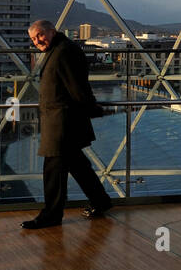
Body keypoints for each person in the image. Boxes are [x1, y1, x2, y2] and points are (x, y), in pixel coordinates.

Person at [22, 20, 113, 229]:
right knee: (78, 165)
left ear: (52, 32)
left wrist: (93, 109)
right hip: (61, 118)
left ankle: (51, 215)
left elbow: (77, 86)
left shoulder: (64, 52)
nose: (37, 41)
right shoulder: (59, 49)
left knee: (53, 169)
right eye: (34, 39)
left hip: (62, 120)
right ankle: (101, 201)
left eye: (40, 35)